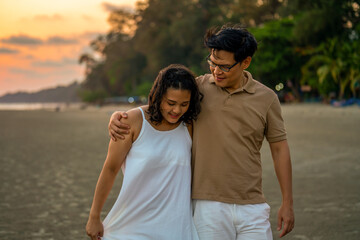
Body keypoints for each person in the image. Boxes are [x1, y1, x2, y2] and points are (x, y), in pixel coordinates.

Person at [108, 24, 294, 239]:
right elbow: (163, 106)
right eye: (212, 63)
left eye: (224, 66)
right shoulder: (199, 89)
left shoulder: (267, 98)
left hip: (253, 205)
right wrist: (120, 115)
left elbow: (279, 149)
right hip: (207, 206)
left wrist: (287, 203)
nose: (216, 71)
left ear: (245, 62)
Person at [86, 64, 202, 240]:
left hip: (176, 226)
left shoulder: (190, 125)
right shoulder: (131, 121)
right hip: (133, 224)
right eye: (171, 103)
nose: (177, 110)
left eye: (184, 104)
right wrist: (94, 217)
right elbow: (110, 169)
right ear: (158, 96)